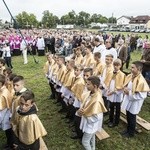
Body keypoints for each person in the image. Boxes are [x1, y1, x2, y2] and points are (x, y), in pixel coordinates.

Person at [121, 61, 149, 138]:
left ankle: (131, 133)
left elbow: (142, 95)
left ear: (139, 69)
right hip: (128, 100)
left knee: (132, 117)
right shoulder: (131, 76)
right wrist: (125, 88)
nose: (131, 69)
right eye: (131, 67)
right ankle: (128, 129)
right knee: (128, 115)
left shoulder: (141, 81)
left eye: (133, 67)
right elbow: (127, 84)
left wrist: (129, 93)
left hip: (134, 103)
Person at [78, 76, 107, 150]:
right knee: (92, 137)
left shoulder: (97, 100)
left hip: (91, 125)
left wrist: (85, 114)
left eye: (88, 84)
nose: (86, 85)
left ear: (94, 86)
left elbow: (97, 117)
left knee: (85, 142)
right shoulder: (91, 93)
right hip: (89, 122)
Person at [107, 59, 125, 127]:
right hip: (111, 92)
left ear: (120, 66)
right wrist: (108, 89)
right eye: (114, 65)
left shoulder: (122, 75)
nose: (115, 67)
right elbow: (109, 81)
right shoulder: (111, 72)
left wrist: (114, 92)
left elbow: (121, 86)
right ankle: (111, 119)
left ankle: (116, 122)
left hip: (117, 94)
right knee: (111, 107)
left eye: (117, 65)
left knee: (117, 109)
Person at [0, 74, 14, 149]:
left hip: (6, 114)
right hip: (5, 113)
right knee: (7, 131)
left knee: (9, 131)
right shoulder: (3, 90)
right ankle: (9, 143)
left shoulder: (4, 93)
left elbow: (1, 107)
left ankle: (11, 145)